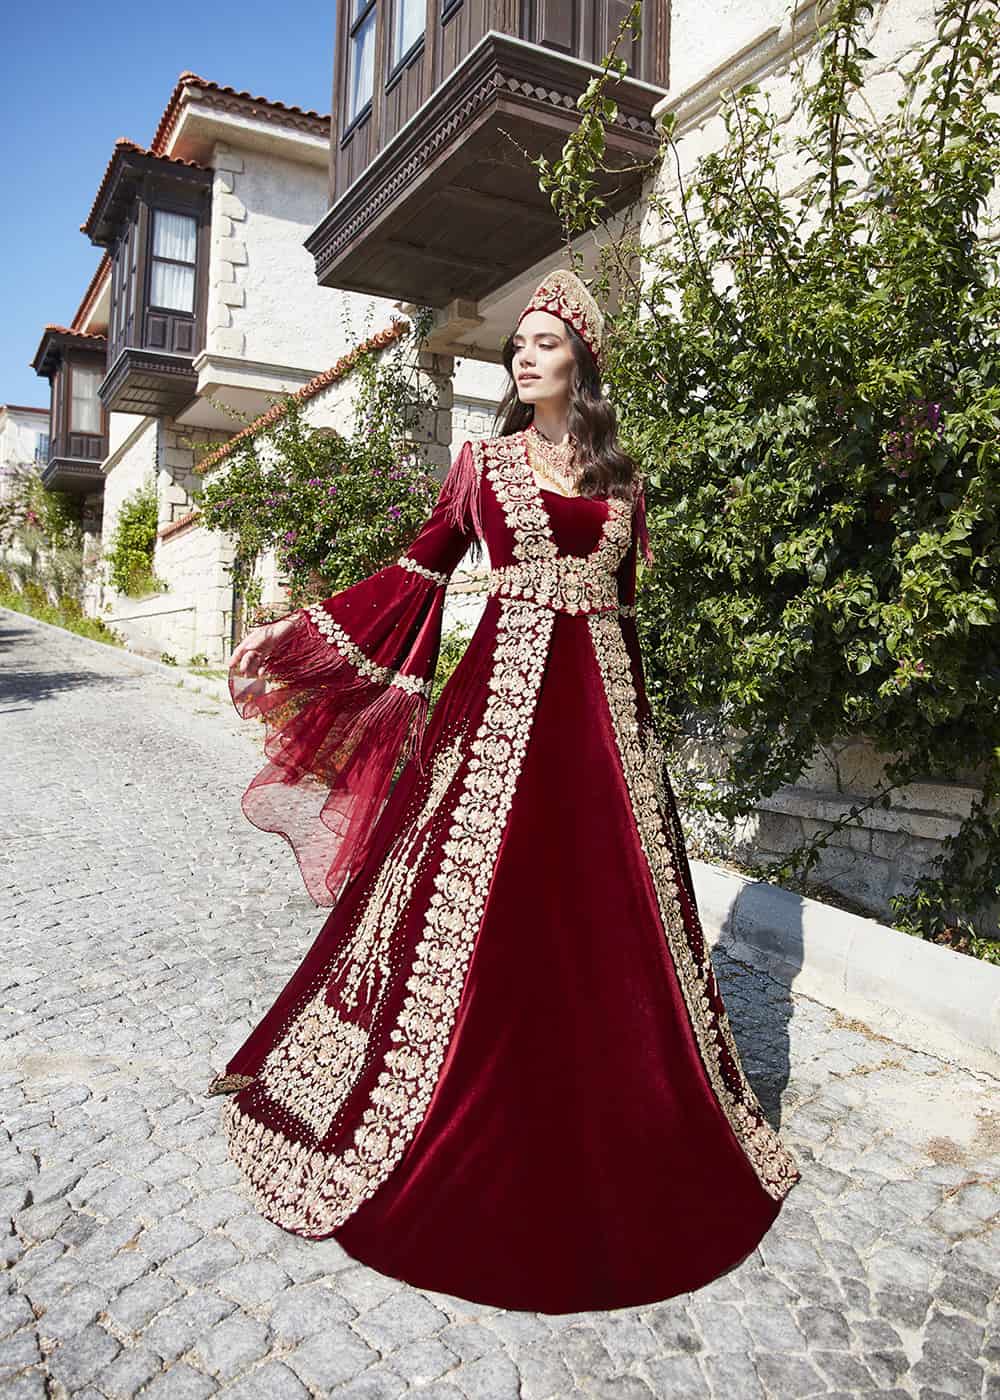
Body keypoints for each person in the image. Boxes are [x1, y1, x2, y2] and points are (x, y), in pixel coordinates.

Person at [206, 267, 801, 1314]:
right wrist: (294, 636)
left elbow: (624, 621)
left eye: (544, 342)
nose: (523, 357)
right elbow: (412, 577)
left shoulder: (624, 485)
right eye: (516, 344)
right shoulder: (480, 466)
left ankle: (637, 1125)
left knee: (616, 933)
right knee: (474, 918)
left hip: (606, 736)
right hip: (499, 729)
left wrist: (645, 755)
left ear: (583, 361)